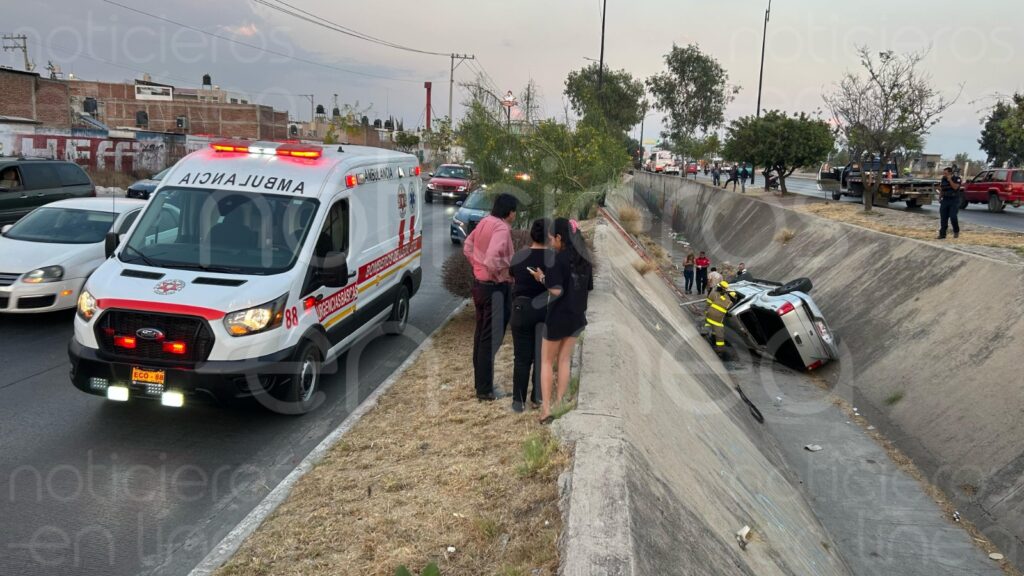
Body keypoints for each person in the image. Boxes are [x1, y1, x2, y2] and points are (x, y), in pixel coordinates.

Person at [532, 217, 593, 424]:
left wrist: (541, 278)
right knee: (565, 360)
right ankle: (560, 402)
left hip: (558, 316)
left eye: (552, 239)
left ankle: (546, 409)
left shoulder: (558, 260)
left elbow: (556, 290)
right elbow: (588, 286)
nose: (551, 243)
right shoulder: (585, 258)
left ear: (560, 237)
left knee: (547, 361)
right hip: (577, 316)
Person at [464, 193, 518, 401]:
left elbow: (468, 247)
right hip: (495, 288)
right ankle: (485, 390)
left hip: (480, 286)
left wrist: (478, 266)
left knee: (481, 337)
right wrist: (500, 271)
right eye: (514, 211)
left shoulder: (485, 221)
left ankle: (481, 383)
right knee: (491, 339)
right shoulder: (502, 228)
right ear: (509, 211)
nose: (515, 214)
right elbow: (493, 259)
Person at [509, 218, 554, 413]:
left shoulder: (519, 256)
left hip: (521, 308)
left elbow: (512, 275)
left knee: (521, 357)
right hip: (545, 308)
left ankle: (518, 402)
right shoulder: (553, 258)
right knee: (541, 356)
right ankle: (537, 397)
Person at [705, 280, 740, 357]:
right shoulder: (730, 303)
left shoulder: (719, 296)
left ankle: (708, 334)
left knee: (712, 327)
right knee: (720, 335)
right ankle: (720, 350)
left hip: (709, 315)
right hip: (716, 320)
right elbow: (729, 311)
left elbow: (711, 303)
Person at [937, 167, 963, 239]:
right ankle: (942, 234)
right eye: (944, 173)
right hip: (945, 200)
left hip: (954, 200)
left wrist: (950, 180)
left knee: (953, 217)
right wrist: (940, 197)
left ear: (950, 173)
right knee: (943, 218)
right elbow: (942, 189)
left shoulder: (957, 179)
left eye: (946, 173)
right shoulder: (943, 179)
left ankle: (956, 230)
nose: (944, 174)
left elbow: (955, 187)